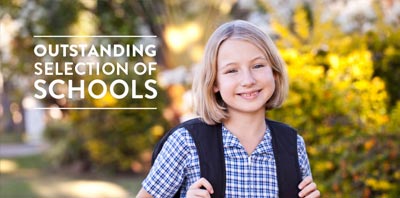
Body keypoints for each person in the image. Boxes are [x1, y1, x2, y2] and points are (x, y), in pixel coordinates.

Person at [136, 20, 320, 198]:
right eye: (232, 70)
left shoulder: (292, 144)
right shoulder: (186, 142)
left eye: (258, 66)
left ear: (274, 72)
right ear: (214, 82)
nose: (248, 80)